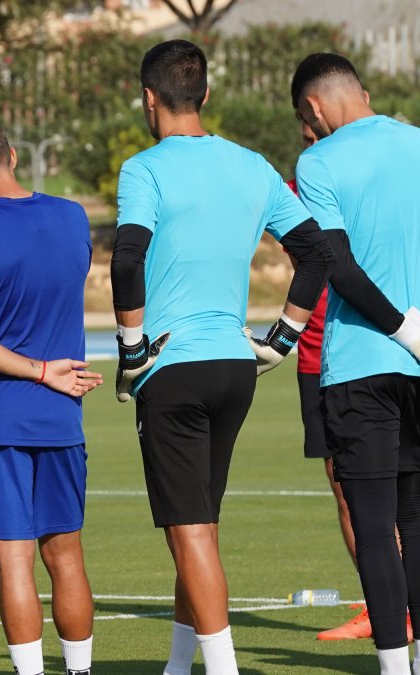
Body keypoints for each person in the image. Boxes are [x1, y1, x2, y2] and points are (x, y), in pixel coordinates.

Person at [110, 40, 334, 675]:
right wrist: (283, 340)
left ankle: (222, 668)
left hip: (173, 369)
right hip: (236, 369)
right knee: (199, 527)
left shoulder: (144, 168)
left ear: (148, 98)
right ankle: (180, 666)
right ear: (205, 95)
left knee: (191, 534)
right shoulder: (255, 166)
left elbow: (127, 258)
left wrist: (130, 350)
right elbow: (315, 255)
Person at [0, 110, 101, 675]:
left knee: (15, 563)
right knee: (67, 556)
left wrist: (37, 370)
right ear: (12, 156)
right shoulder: (71, 216)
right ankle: (79, 671)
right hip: (61, 417)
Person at [290, 52, 420, 675]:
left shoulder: (317, 160)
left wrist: (400, 327)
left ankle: (395, 667)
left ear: (313, 109)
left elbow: (335, 264)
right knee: (418, 523)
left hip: (364, 364)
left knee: (373, 525)